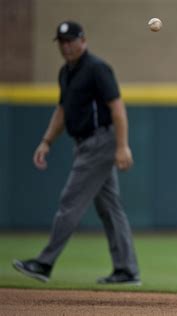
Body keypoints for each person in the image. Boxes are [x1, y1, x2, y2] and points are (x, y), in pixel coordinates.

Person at [12, 21, 140, 285]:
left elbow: (117, 108)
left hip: (99, 142)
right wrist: (46, 141)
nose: (66, 46)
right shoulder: (66, 72)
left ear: (83, 41)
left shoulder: (97, 69)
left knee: (70, 201)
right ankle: (127, 270)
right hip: (84, 142)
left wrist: (122, 145)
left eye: (71, 40)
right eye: (62, 41)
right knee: (109, 207)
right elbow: (62, 111)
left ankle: (44, 263)